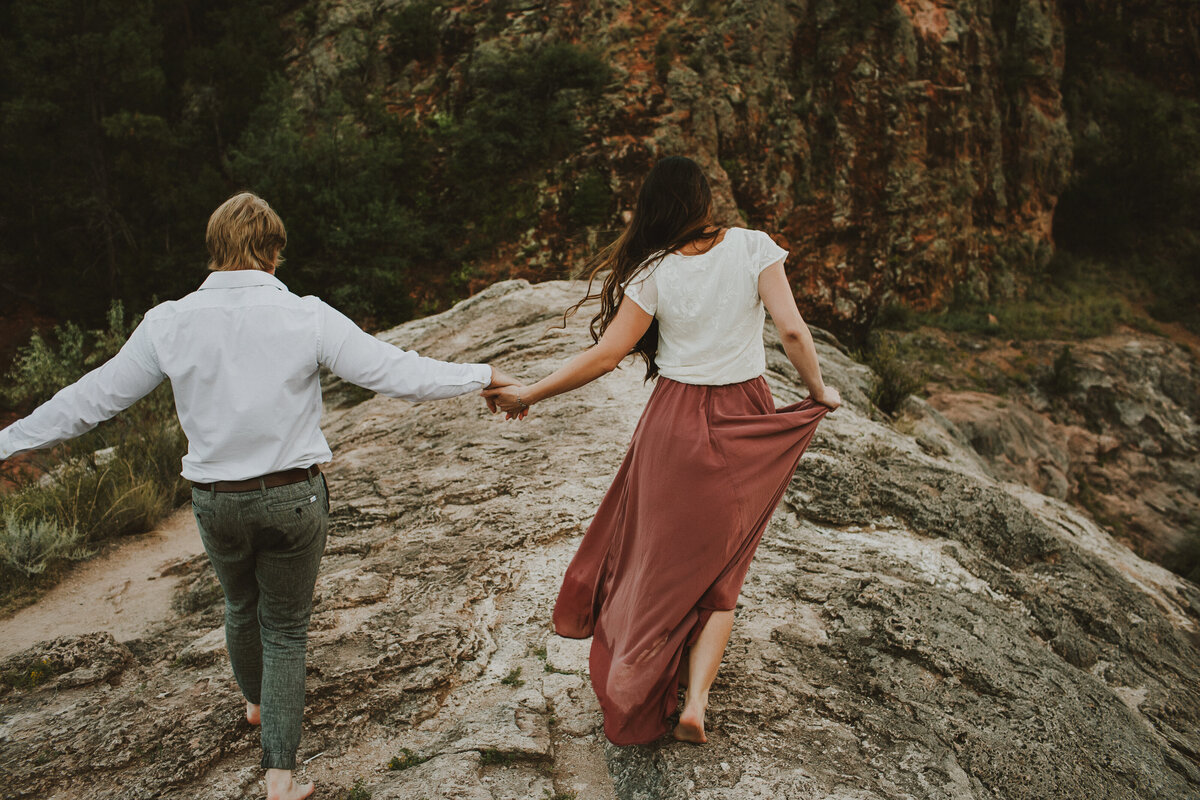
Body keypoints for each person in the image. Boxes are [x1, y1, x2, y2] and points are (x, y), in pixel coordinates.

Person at [0, 192, 517, 800]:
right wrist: (483, 376)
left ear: (215, 250)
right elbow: (395, 372)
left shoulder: (168, 321)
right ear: (273, 254)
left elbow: (91, 400)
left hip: (217, 501)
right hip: (293, 497)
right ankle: (280, 777)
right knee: (287, 629)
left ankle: (255, 703)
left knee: (240, 606)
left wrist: (8, 439)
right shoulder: (307, 315)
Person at [484, 156, 841, 746]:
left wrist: (531, 392)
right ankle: (695, 701)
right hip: (745, 414)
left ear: (652, 208)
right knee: (724, 564)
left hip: (670, 427)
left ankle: (640, 678)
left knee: (657, 561)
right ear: (703, 199)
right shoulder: (753, 247)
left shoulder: (652, 270)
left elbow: (604, 356)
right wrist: (818, 393)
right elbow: (795, 332)